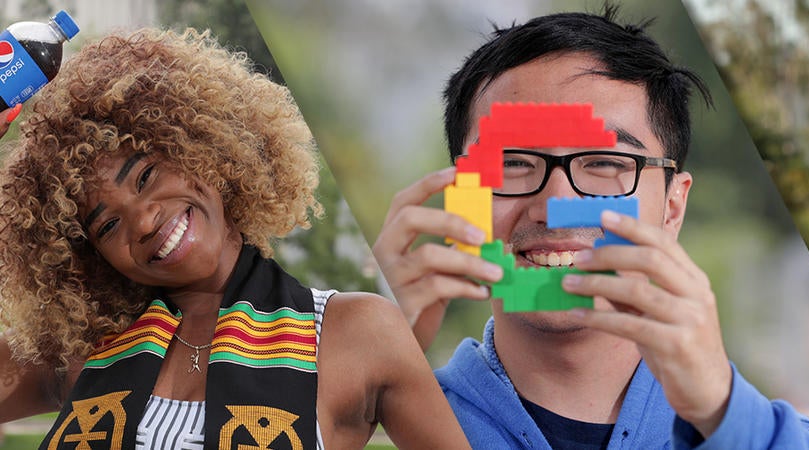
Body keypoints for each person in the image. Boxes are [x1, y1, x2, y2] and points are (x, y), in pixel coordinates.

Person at [373, 7, 809, 450]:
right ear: (459, 197)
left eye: (603, 162)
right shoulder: (372, 421)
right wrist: (357, 382)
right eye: (511, 162)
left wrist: (722, 413)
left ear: (673, 207)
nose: (555, 204)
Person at [0, 28, 468, 449]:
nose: (142, 222)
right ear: (91, 258)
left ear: (206, 148)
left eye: (145, 177)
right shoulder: (87, 351)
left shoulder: (356, 333)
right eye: (107, 225)